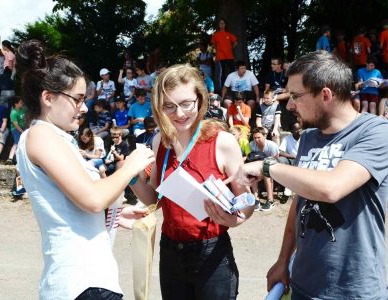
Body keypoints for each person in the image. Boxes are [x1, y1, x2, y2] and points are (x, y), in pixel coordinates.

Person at [235, 51, 388, 299]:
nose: (291, 105)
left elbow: (331, 188)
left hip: (354, 289)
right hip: (304, 284)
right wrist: (283, 260)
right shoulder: (308, 138)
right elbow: (299, 203)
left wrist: (267, 167)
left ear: (326, 95)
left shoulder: (376, 132)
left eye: (296, 96)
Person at [16, 40, 155, 300]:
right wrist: (132, 165)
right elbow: (92, 198)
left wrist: (116, 213)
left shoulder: (55, 138)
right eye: (77, 99)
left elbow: (71, 205)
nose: (84, 108)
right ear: (48, 97)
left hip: (89, 282)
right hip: (81, 283)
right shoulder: (41, 136)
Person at [129, 64, 254, 300]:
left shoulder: (222, 141)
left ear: (199, 99)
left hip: (211, 252)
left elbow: (246, 200)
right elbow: (154, 198)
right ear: (158, 107)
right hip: (170, 251)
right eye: (169, 106)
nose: (179, 113)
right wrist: (132, 177)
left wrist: (234, 220)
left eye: (187, 103)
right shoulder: (160, 142)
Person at [249, 127, 279, 211]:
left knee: (266, 172)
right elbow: (251, 159)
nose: (256, 140)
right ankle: (256, 199)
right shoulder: (251, 144)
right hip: (257, 166)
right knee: (252, 173)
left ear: (264, 136)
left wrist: (264, 166)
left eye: (259, 137)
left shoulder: (272, 145)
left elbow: (276, 159)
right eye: (255, 138)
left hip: (271, 166)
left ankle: (270, 200)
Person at [211, 18, 237, 90]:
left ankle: (234, 87)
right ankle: (223, 88)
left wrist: (230, 48)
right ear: (219, 25)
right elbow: (213, 45)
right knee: (223, 73)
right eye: (220, 23)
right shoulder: (215, 35)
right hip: (221, 57)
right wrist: (216, 51)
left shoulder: (229, 34)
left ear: (225, 25)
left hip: (230, 56)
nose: (222, 24)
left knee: (232, 72)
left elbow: (235, 42)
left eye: (223, 23)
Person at [8, 96, 27, 165]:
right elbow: (16, 125)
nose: (22, 103)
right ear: (16, 104)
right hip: (16, 129)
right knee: (17, 142)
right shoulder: (13, 113)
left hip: (23, 127)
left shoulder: (23, 109)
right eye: (20, 103)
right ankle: (10, 158)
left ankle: (18, 158)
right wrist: (22, 132)